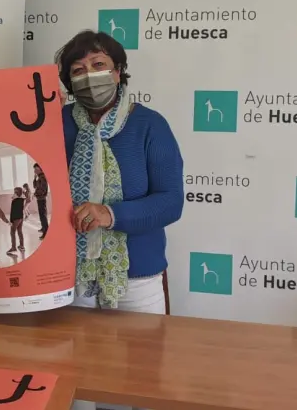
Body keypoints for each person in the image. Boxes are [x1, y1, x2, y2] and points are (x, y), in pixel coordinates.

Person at [59, 31, 184, 410]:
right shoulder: (56, 124)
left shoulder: (149, 125)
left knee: (134, 389)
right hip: (70, 278)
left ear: (118, 73)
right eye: (78, 70)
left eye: (99, 66)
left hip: (136, 280)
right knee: (74, 388)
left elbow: (170, 202)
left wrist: (110, 214)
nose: (89, 76)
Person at [8, 187, 26, 255]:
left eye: (14, 192)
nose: (13, 194)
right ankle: (22, 246)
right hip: (21, 218)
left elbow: (12, 212)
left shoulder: (14, 201)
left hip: (15, 219)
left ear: (16, 193)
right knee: (20, 231)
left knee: (12, 232)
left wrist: (11, 221)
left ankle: (13, 248)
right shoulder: (22, 200)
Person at [33, 164, 50, 239]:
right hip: (39, 198)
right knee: (42, 215)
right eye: (34, 169)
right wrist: (34, 178)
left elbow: (43, 189)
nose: (35, 170)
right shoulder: (39, 177)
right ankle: (44, 228)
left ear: (40, 168)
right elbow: (35, 186)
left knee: (43, 216)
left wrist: (35, 193)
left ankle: (46, 232)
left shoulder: (43, 177)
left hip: (42, 199)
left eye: (36, 169)